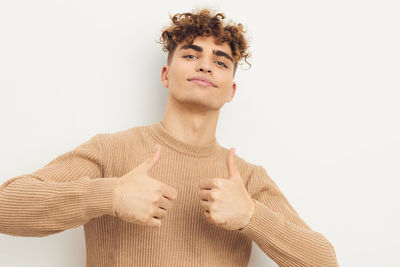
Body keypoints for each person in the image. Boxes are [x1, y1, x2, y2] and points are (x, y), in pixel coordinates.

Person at [0, 8, 339, 267]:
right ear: (166, 74)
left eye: (220, 62)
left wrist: (252, 217)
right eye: (191, 55)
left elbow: (325, 261)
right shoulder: (110, 150)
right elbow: (5, 207)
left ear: (231, 91)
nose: (205, 66)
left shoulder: (247, 179)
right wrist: (110, 195)